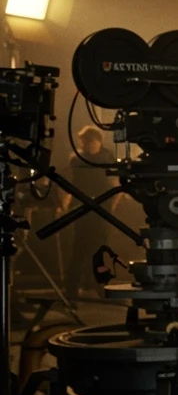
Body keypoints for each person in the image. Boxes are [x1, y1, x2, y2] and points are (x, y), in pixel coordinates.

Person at [59, 126, 118, 300]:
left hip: (101, 210)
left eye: (88, 141)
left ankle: (98, 285)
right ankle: (73, 289)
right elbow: (70, 184)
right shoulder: (76, 160)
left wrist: (110, 208)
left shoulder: (107, 159)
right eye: (83, 141)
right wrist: (65, 205)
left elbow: (115, 186)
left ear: (97, 141)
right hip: (82, 208)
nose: (84, 145)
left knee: (99, 249)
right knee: (79, 248)